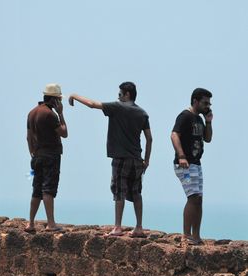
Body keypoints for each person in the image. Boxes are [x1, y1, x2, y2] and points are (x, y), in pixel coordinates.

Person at [69, 82, 152, 237]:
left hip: (121, 158)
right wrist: (146, 161)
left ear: (127, 94)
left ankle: (118, 227)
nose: (118, 97)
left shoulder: (117, 107)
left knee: (119, 191)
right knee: (136, 193)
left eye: (120, 94)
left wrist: (74, 95)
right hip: (137, 159)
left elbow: (92, 104)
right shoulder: (142, 113)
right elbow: (149, 139)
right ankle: (139, 227)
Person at [171, 88, 213, 245]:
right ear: (195, 101)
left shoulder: (199, 119)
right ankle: (186, 235)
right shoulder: (185, 116)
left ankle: (196, 236)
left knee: (199, 199)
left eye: (209, 103)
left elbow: (207, 138)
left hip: (196, 164)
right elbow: (174, 135)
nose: (207, 106)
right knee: (193, 197)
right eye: (205, 102)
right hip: (185, 165)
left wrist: (208, 121)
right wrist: (181, 156)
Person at [25, 83, 68, 232]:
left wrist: (32, 152)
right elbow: (64, 133)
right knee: (48, 190)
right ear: (55, 100)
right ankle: (51, 224)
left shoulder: (32, 113)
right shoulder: (50, 114)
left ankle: (30, 223)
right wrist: (61, 113)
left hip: (37, 156)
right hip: (51, 156)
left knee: (36, 190)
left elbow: (28, 137)